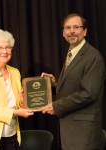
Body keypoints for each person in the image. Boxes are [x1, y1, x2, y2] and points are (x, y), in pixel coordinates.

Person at [41, 13, 105, 150]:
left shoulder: (92, 56)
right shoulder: (72, 53)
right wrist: (55, 84)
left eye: (76, 27)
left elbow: (89, 93)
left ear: (85, 31)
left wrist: (57, 106)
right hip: (71, 131)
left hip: (83, 134)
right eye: (67, 28)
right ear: (63, 33)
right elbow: (75, 87)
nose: (71, 31)